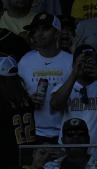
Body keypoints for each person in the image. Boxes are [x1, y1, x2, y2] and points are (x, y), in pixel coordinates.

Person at [18, 13, 73, 141]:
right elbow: (16, 95)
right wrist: (28, 99)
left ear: (57, 33)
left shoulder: (70, 61)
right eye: (35, 30)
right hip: (32, 131)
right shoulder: (25, 61)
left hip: (65, 132)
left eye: (45, 29)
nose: (39, 34)